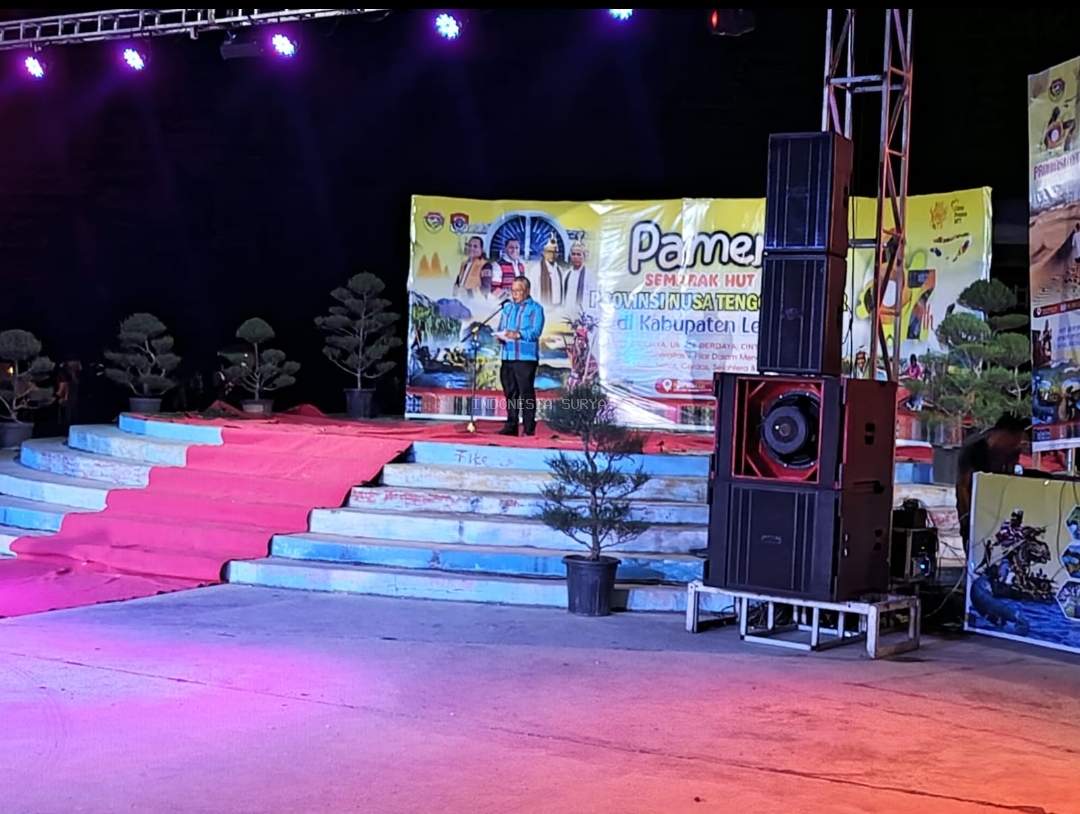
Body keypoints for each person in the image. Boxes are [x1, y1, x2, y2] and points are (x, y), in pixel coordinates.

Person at [956, 413, 1029, 555]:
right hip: (974, 511)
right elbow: (963, 487)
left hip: (999, 511)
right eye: (1015, 441)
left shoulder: (1010, 451)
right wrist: (968, 519)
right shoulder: (975, 448)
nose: (1017, 445)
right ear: (1003, 433)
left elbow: (1010, 478)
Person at [496, 276, 545, 436]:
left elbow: (535, 332)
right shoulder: (507, 308)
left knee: (526, 393)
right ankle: (511, 425)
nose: (515, 294)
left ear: (527, 291)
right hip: (507, 356)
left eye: (518, 291)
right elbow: (501, 327)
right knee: (510, 393)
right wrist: (500, 336)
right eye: (513, 290)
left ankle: (529, 427)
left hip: (525, 358)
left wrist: (518, 334)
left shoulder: (536, 309)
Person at [563, 241, 589, 308]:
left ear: (584, 256)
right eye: (573, 254)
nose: (575, 257)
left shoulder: (589, 276)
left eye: (578, 254)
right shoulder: (566, 274)